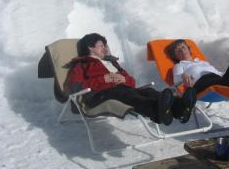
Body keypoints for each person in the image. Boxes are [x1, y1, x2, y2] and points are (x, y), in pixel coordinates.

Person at [65, 33, 194, 125]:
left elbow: (132, 82)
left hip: (122, 90)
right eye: (100, 45)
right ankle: (157, 113)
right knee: (126, 93)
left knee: (148, 92)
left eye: (105, 45)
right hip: (98, 96)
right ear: (90, 47)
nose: (104, 48)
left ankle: (179, 108)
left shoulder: (112, 62)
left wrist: (124, 80)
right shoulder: (81, 65)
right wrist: (103, 79)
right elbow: (75, 87)